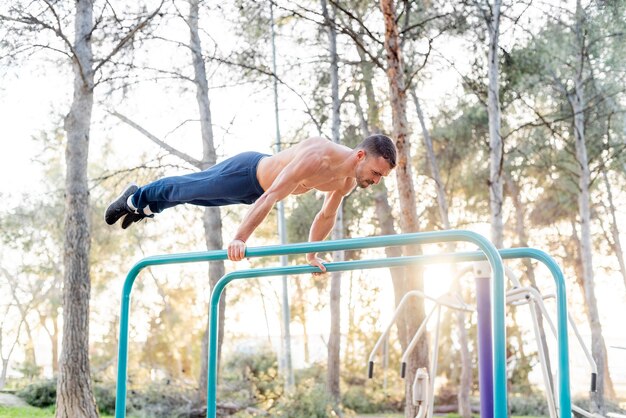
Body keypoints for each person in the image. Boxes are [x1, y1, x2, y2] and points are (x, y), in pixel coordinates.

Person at [105, 134, 397, 270]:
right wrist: (239, 238)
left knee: (194, 199)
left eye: (381, 177)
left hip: (253, 195)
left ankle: (140, 207)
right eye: (375, 173)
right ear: (360, 156)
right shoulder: (318, 156)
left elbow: (325, 216)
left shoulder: (345, 182)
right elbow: (273, 196)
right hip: (246, 174)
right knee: (187, 190)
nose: (375, 181)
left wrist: (312, 255)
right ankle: (135, 197)